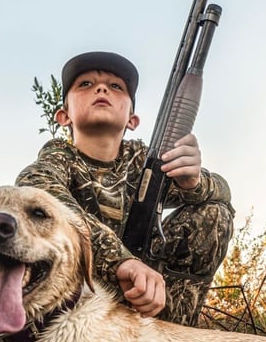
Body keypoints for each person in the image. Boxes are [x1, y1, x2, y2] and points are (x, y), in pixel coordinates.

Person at [15, 51, 234, 326]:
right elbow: (36, 191)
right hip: (80, 306)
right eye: (85, 84)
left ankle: (174, 335)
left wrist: (194, 181)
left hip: (149, 297)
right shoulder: (59, 158)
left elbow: (222, 193)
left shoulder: (144, 161)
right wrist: (120, 261)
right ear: (63, 115)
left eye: (116, 86)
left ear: (132, 119)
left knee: (214, 214)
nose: (102, 88)